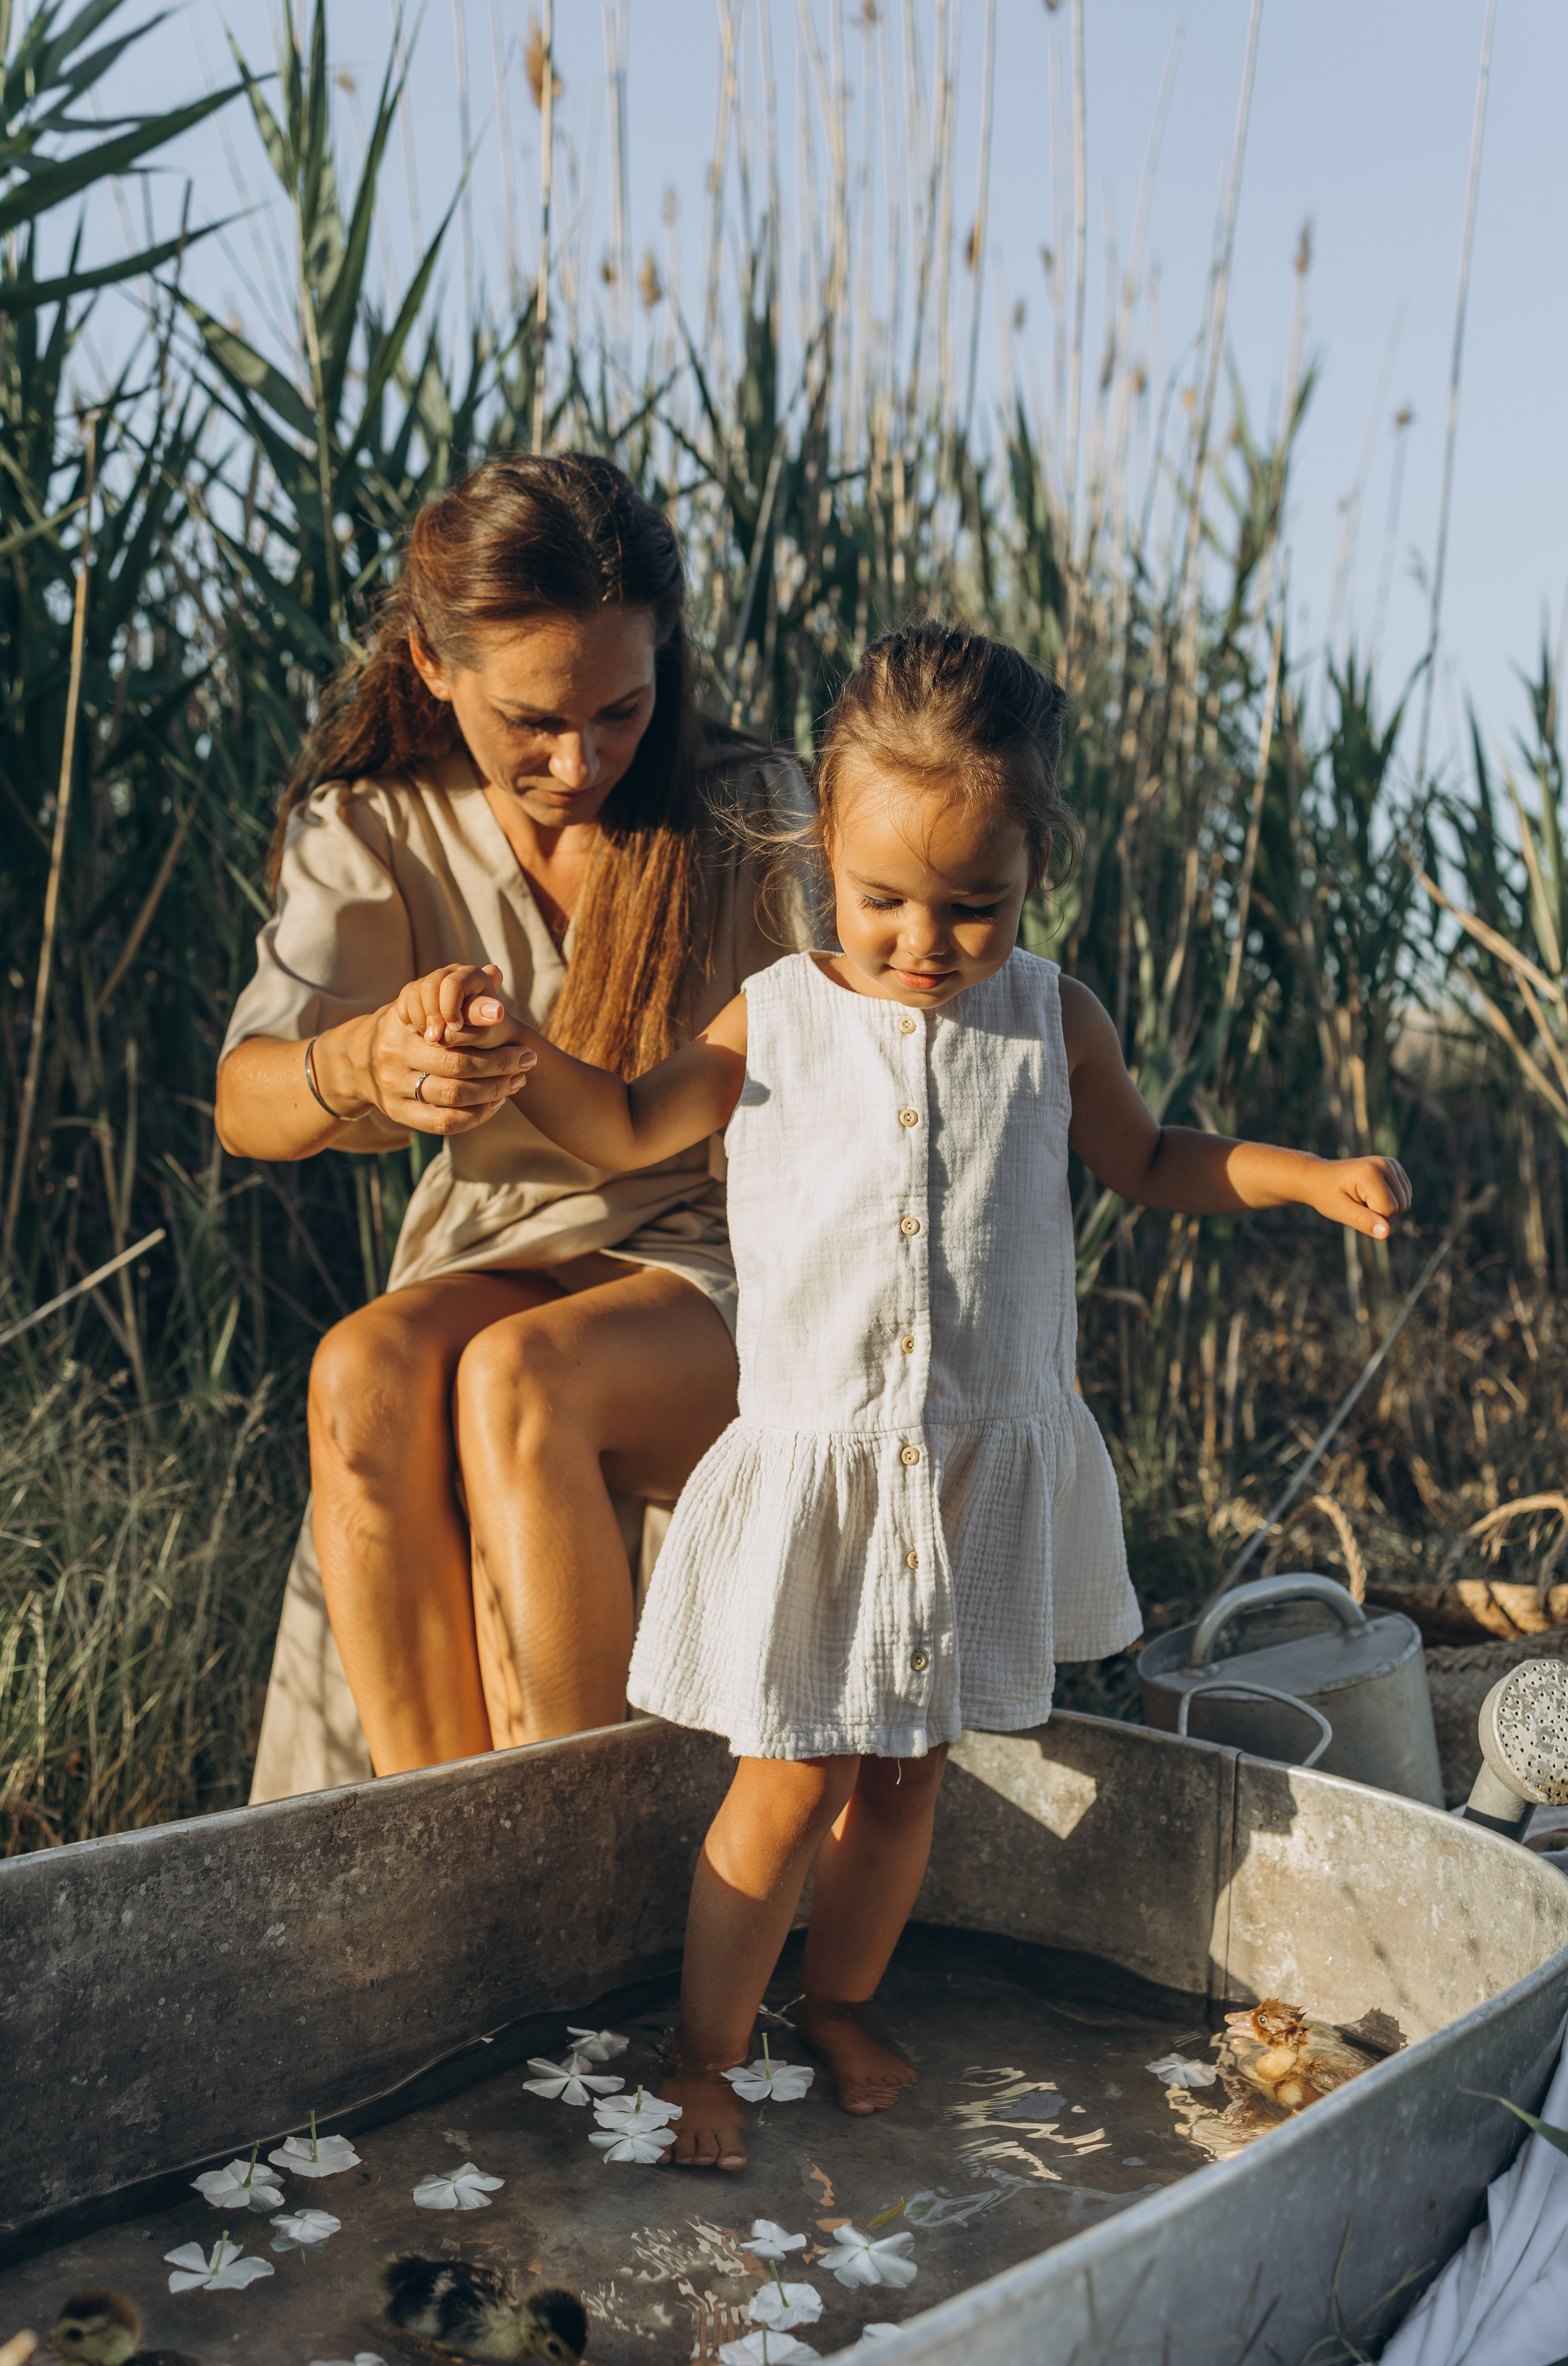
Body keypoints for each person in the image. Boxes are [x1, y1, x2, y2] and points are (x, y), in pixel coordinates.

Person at [397, 619, 1414, 2169]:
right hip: (827, 1465)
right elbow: (615, 1129)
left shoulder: (1048, 1016)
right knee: (788, 1777)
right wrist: (516, 1050)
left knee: (910, 1774)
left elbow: (1150, 1161)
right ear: (821, 847)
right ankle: (704, 2052)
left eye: (972, 906)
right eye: (881, 901)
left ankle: (844, 1998)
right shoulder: (779, 1015)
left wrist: (1300, 1175)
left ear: (1033, 871)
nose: (923, 941)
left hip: (973, 1466)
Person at [214, 454, 810, 1799]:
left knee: (520, 1379)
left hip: (722, 1267)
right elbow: (245, 1101)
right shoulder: (374, 827)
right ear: (432, 667)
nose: (581, 760)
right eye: (532, 720)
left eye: (621, 711)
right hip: (498, 1255)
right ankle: (453, 1848)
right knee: (362, 1374)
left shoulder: (747, 809)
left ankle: (566, 1843)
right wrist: (361, 1064)